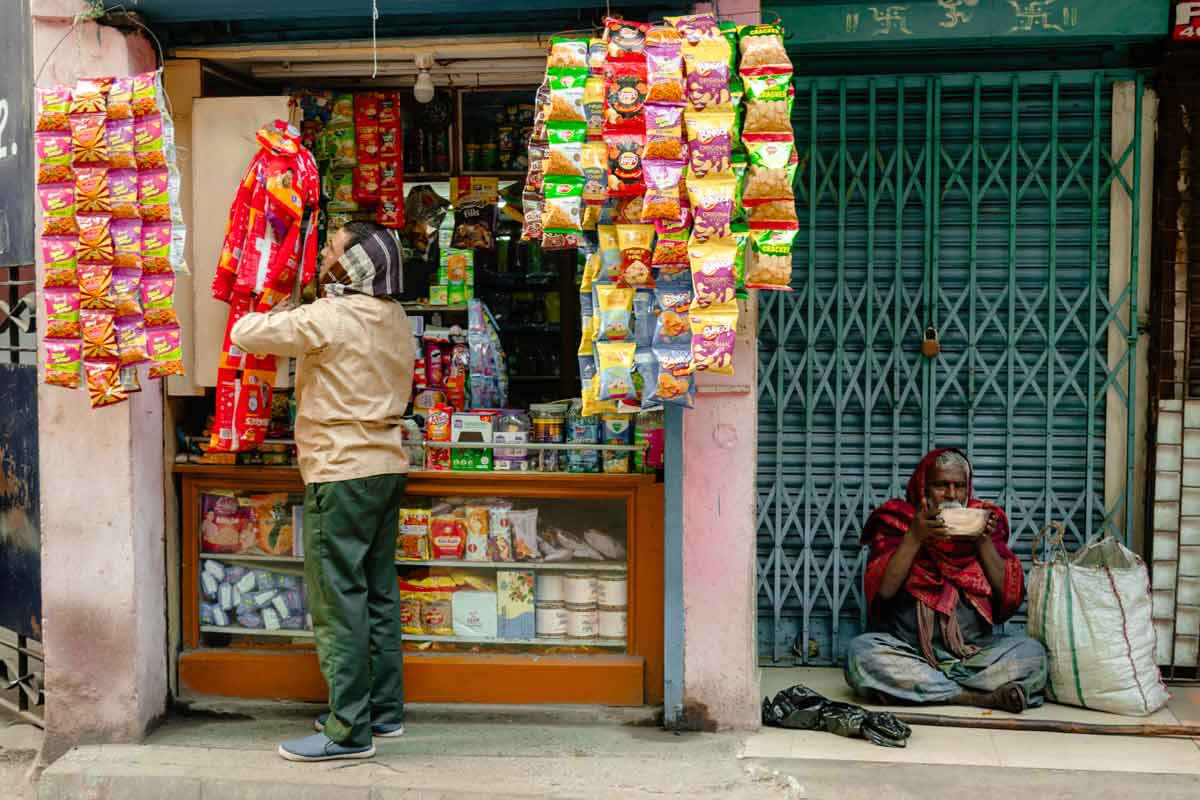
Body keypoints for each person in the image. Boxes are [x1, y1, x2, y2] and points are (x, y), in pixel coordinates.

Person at [229, 221, 414, 762]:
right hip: (384, 466)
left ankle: (347, 731)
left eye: (331, 249)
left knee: (339, 603)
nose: (322, 256)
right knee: (378, 594)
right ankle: (383, 712)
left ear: (354, 265)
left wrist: (281, 300)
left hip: (342, 472)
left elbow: (246, 331)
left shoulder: (330, 316)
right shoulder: (394, 315)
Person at [844, 448, 1048, 713]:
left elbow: (1009, 599)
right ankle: (973, 697)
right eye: (941, 485)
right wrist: (915, 536)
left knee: (1034, 655)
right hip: (911, 652)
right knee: (860, 654)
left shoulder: (985, 522)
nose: (952, 495)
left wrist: (981, 540)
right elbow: (883, 593)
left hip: (973, 656)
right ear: (923, 489)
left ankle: (928, 689)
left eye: (959, 487)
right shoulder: (899, 524)